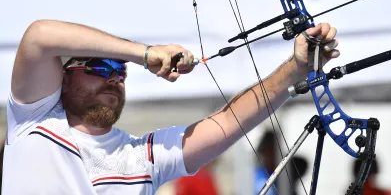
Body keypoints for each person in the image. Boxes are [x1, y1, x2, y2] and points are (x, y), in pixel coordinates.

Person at [2, 19, 339, 194]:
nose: (114, 79)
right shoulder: (34, 117)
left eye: (120, 72)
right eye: (100, 68)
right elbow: (40, 36)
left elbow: (227, 123)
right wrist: (143, 54)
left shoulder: (141, 156)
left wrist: (295, 68)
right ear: (63, 78)